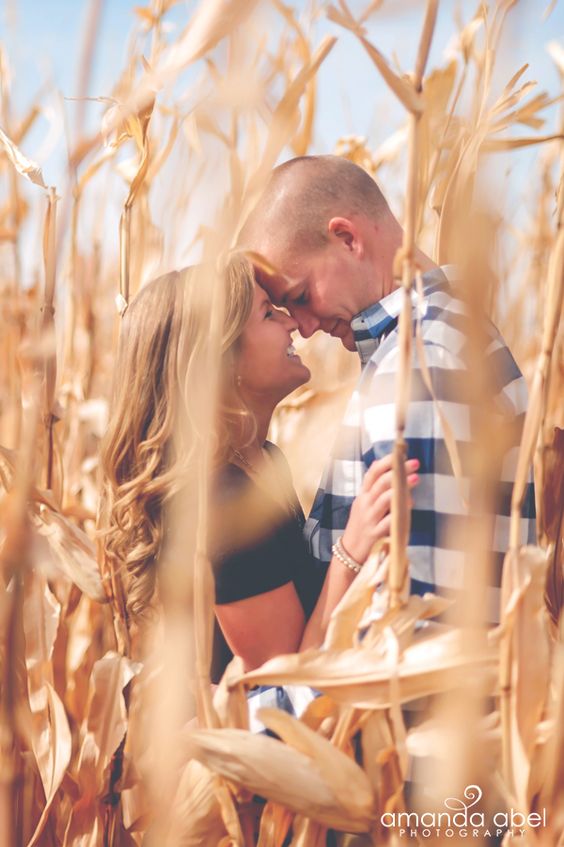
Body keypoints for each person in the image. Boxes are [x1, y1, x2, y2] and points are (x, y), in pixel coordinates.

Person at [99, 257, 419, 722]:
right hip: (236, 786)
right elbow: (283, 694)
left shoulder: (264, 463)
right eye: (270, 314)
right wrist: (351, 553)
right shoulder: (221, 503)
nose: (293, 324)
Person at [240, 155, 536, 623]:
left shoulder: (417, 364)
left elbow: (415, 629)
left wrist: (259, 698)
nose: (305, 327)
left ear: (347, 238)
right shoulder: (437, 340)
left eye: (299, 296)